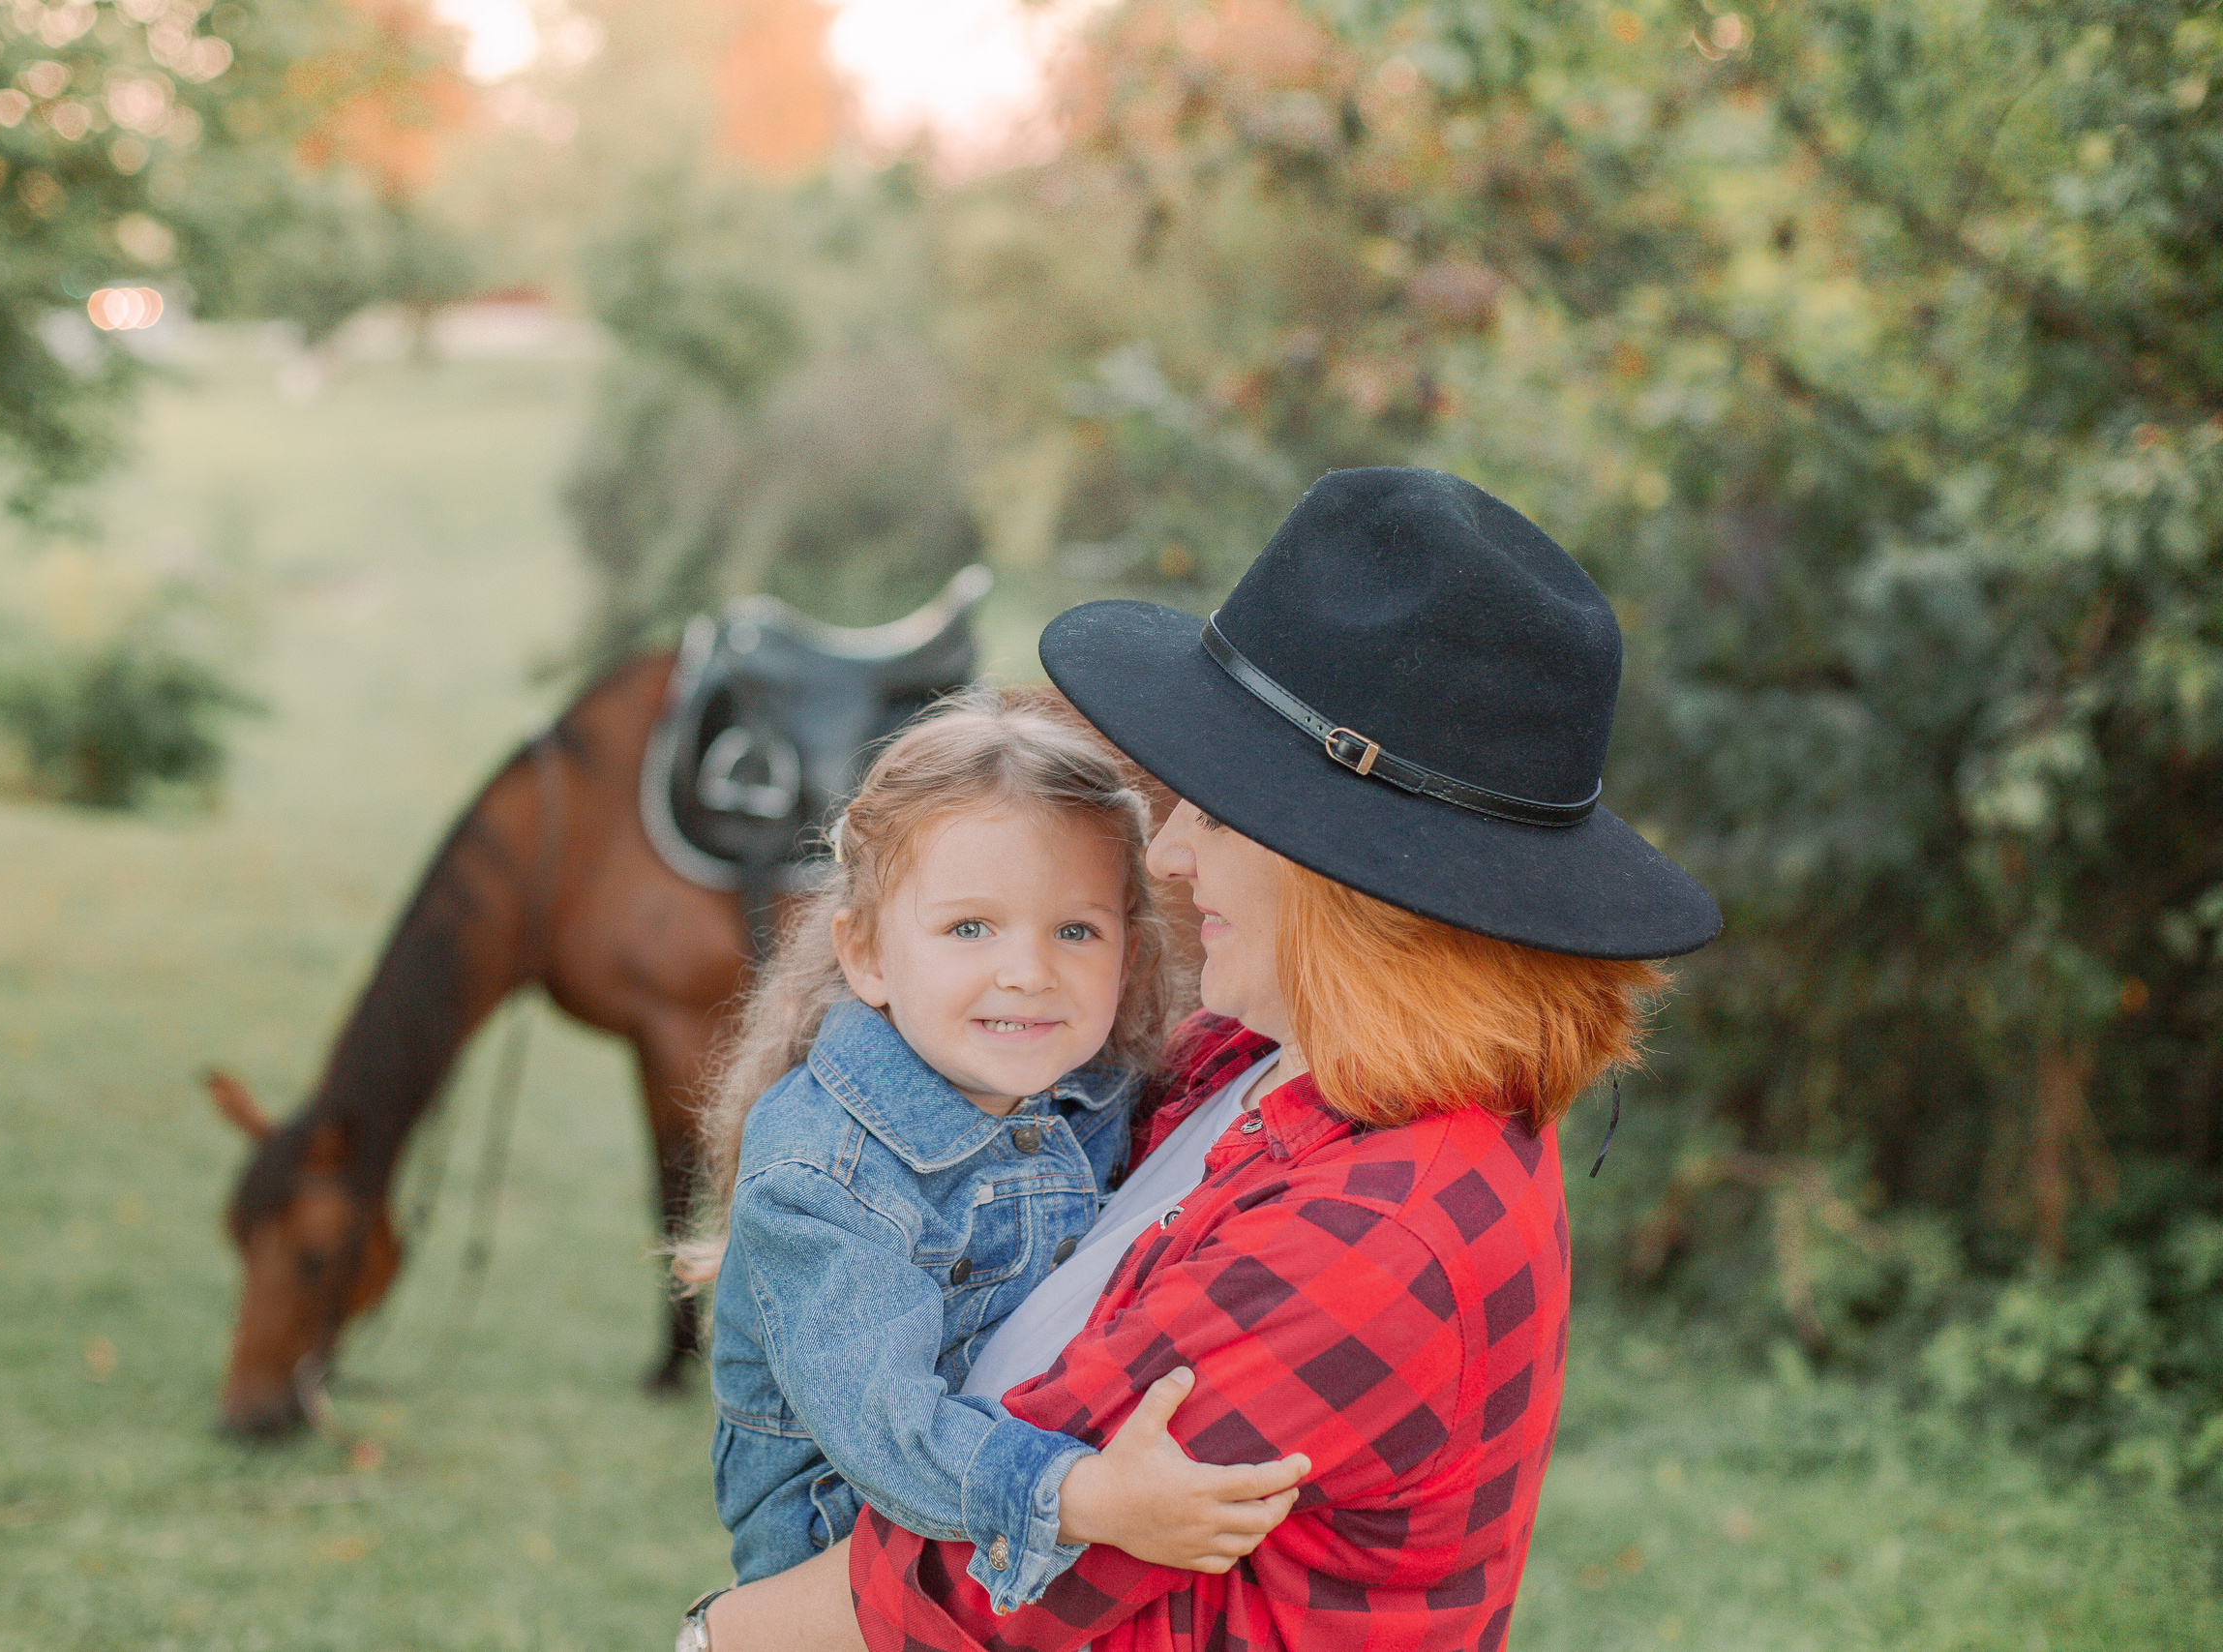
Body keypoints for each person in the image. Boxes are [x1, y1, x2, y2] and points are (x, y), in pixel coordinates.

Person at [686, 466, 1723, 1652]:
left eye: (1220, 813)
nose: (1171, 855)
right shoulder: (1262, 1063)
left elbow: (978, 1596)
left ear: (1349, 879)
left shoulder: (1374, 1232)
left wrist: (712, 1638)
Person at [674, 691, 1312, 1637]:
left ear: (1129, 953)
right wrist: (1087, 1498)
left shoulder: (1094, 1086)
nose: (1027, 971)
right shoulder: (821, 1177)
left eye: (1075, 931)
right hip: (851, 1575)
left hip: (997, 1568)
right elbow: (891, 1435)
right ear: (868, 956)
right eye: (970, 928)